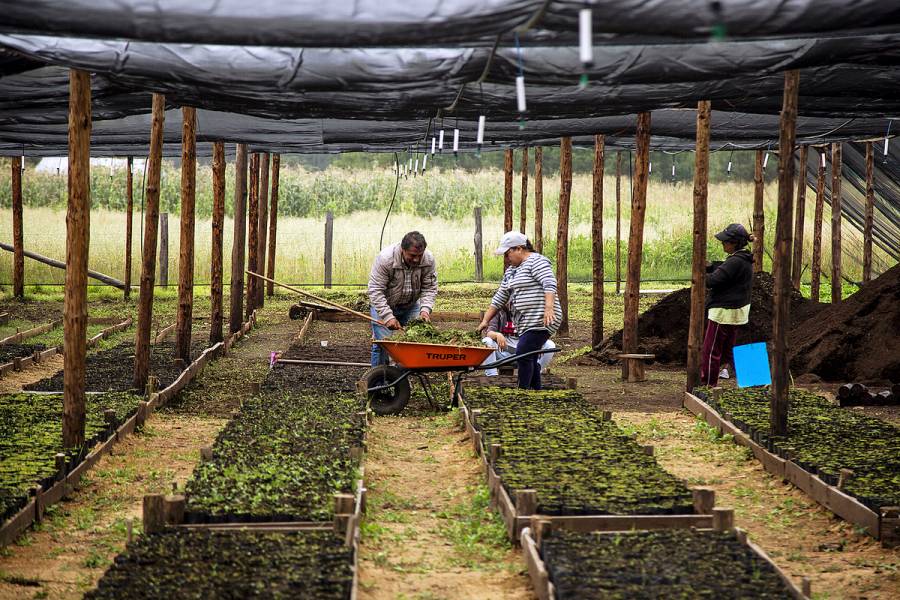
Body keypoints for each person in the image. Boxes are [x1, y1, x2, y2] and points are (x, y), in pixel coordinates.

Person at [478, 231, 562, 390]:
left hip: (543, 319)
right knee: (529, 356)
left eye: (507, 253)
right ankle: (535, 391)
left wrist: (549, 308)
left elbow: (549, 283)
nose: (506, 258)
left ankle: (522, 391)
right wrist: (485, 320)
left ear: (519, 248)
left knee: (523, 352)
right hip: (526, 322)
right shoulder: (511, 271)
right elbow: (500, 296)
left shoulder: (537, 261)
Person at [368, 231, 438, 366]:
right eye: (412, 255)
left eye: (419, 255)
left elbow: (429, 288)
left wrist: (425, 310)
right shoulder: (385, 259)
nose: (417, 259)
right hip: (385, 304)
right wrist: (388, 316)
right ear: (402, 249)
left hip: (410, 306)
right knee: (384, 345)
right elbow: (375, 290)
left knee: (415, 342)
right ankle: (378, 384)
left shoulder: (428, 260)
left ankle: (401, 380)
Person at [701, 223, 754, 387]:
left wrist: (703, 272)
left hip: (723, 311)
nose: (723, 244)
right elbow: (726, 273)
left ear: (734, 243)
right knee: (731, 350)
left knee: (711, 350)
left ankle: (708, 385)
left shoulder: (735, 261)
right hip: (737, 310)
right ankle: (756, 382)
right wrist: (711, 267)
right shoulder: (744, 258)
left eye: (725, 241)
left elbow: (712, 281)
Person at [481, 289, 556, 376]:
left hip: (525, 353)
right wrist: (497, 334)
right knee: (486, 341)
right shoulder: (498, 311)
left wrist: (540, 342)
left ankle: (535, 373)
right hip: (503, 353)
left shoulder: (529, 313)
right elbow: (489, 332)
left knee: (550, 345)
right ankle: (492, 376)